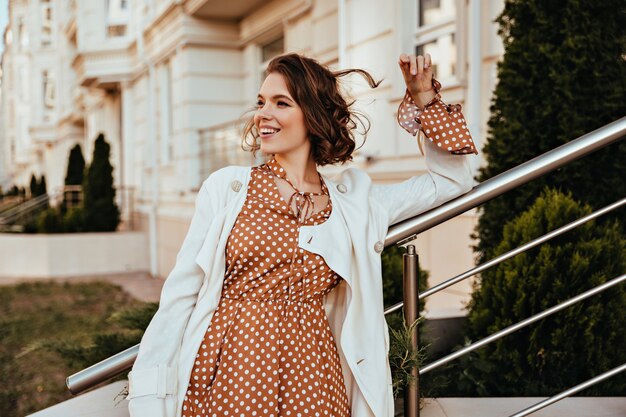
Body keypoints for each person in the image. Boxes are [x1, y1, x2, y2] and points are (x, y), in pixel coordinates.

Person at [127, 52, 477, 417]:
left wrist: (425, 99)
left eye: (281, 103)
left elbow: (453, 181)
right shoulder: (227, 188)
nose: (263, 114)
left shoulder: (353, 203)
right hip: (231, 370)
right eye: (261, 102)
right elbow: (181, 295)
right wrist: (151, 396)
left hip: (314, 379)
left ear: (313, 115)